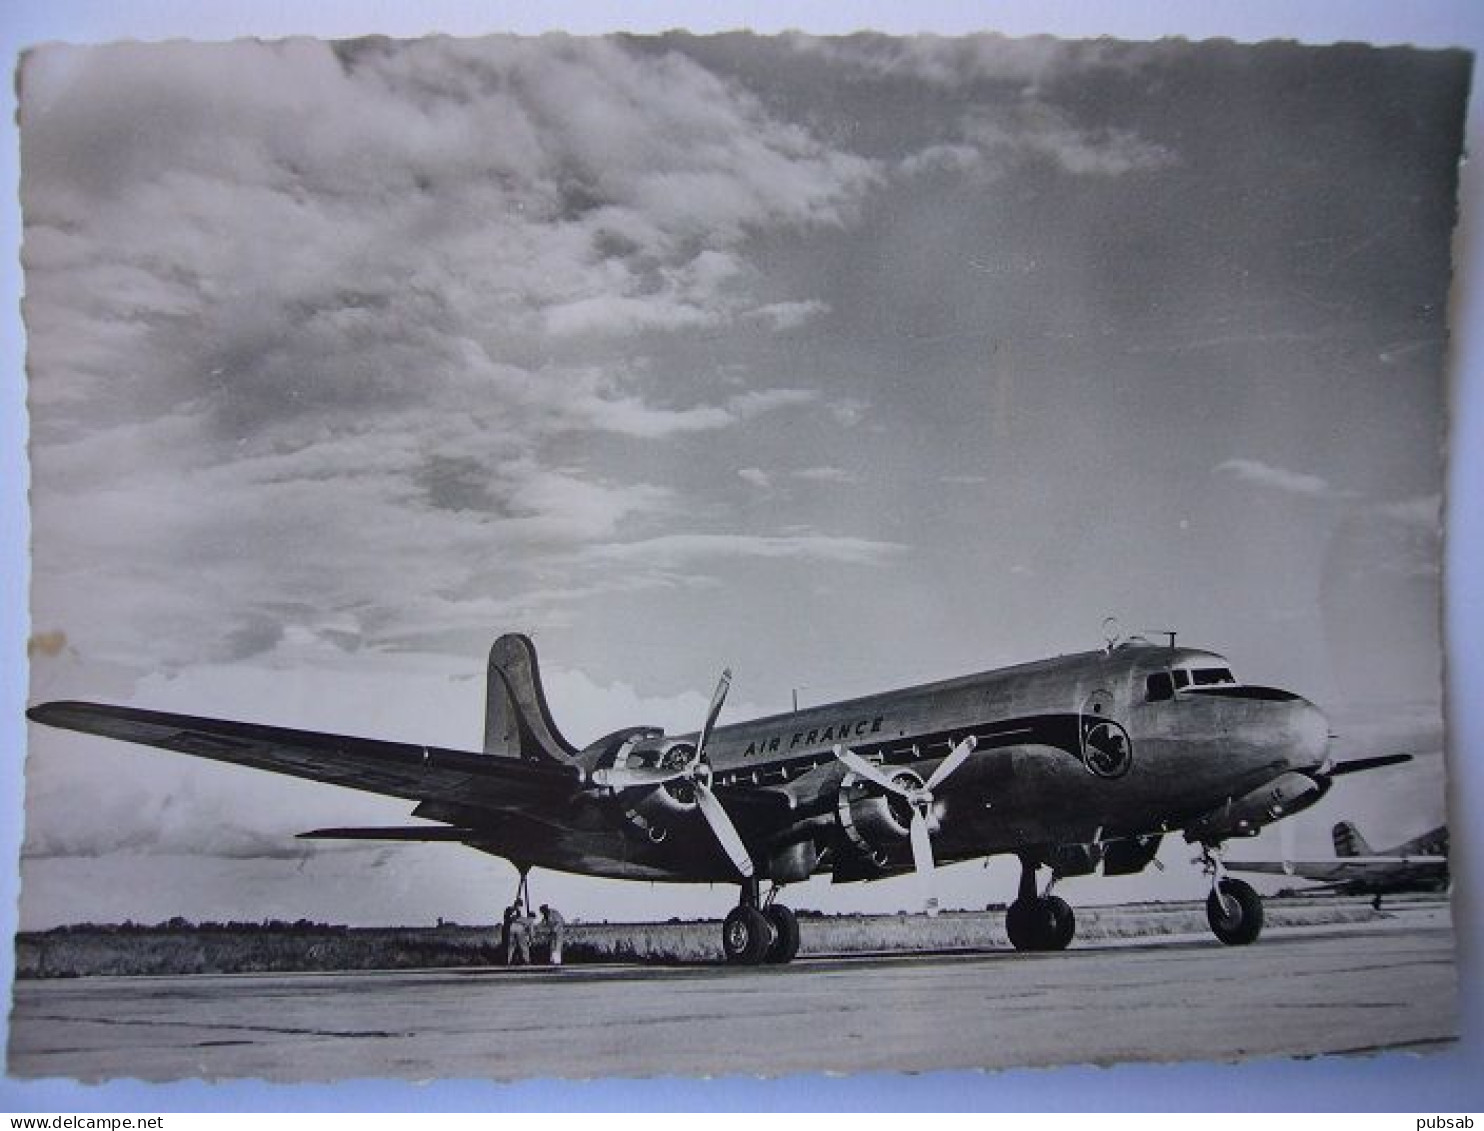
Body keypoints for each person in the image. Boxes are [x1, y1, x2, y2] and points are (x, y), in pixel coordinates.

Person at [506, 901, 532, 966]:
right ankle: (527, 960)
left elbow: (509, 918)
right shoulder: (517, 911)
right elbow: (518, 919)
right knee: (523, 945)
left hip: (512, 927)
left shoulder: (510, 910)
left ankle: (508, 961)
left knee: (511, 946)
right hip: (519, 927)